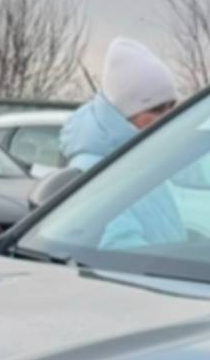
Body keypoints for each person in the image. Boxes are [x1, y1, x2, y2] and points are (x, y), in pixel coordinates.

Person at [58, 37, 186, 249]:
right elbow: (118, 248)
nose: (168, 117)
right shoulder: (97, 171)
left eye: (171, 107)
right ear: (124, 113)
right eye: (156, 110)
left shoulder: (140, 160)